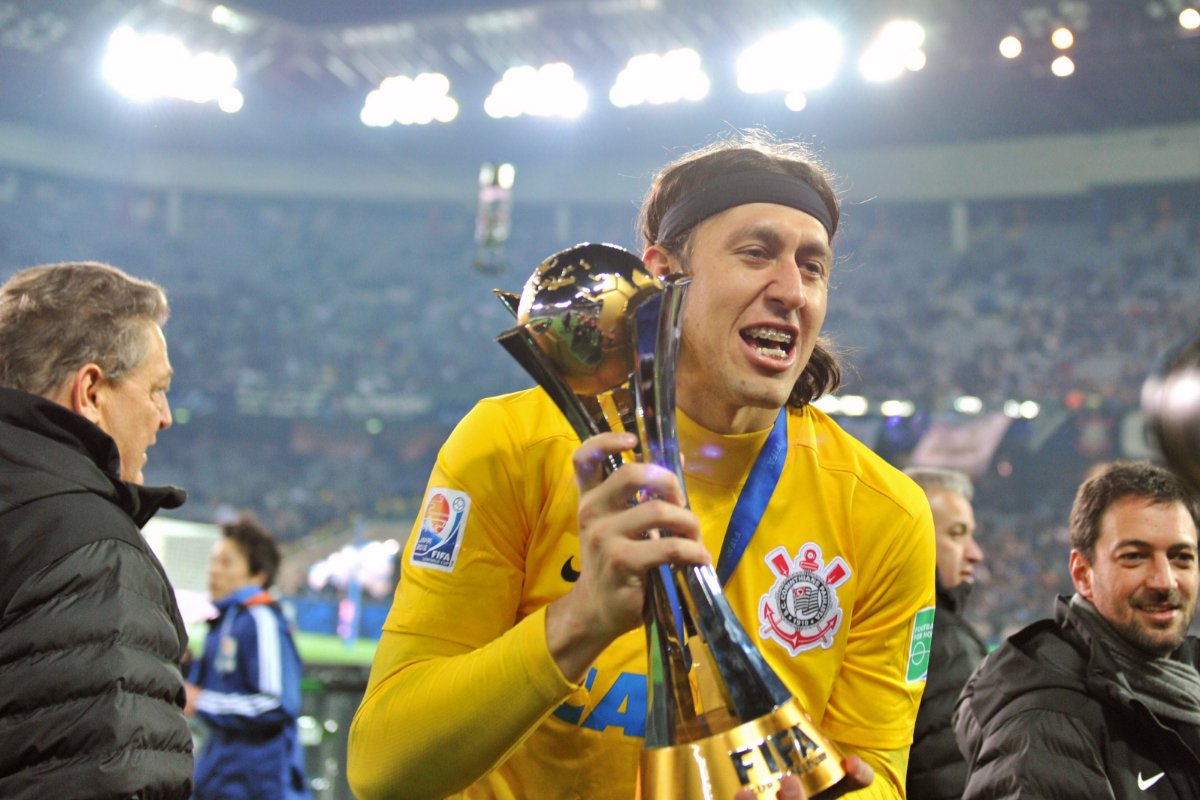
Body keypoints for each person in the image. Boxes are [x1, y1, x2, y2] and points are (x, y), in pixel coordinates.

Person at [348, 130, 936, 799]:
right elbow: (383, 766)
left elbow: (877, 771)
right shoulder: (512, 444)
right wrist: (581, 620)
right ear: (662, 276)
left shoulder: (884, 512)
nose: (792, 291)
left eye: (813, 267)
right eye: (756, 253)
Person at [0, 261, 192, 797]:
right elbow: (101, 776)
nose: (164, 416)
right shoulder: (91, 549)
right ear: (90, 392)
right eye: (156, 390)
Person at [954, 461, 1200, 798]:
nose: (1165, 581)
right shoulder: (1043, 725)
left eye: (1181, 557)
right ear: (1082, 574)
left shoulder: (1186, 677)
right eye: (1134, 556)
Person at [186, 512, 310, 800]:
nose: (214, 570)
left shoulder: (261, 618)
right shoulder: (226, 622)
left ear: (258, 574)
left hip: (259, 787)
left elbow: (276, 703)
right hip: (222, 782)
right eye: (213, 561)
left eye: (226, 562)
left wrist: (201, 701)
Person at [903, 467, 987, 800]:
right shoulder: (945, 641)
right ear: (911, 535)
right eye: (956, 534)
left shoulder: (862, 622)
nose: (975, 553)